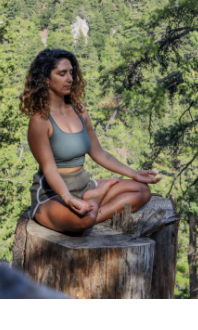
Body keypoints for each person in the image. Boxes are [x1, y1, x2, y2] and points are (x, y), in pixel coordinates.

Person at [21, 48, 159, 233]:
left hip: (84, 184)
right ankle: (96, 198)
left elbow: (99, 153)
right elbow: (50, 169)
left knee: (142, 191)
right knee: (83, 222)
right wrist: (68, 198)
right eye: (62, 73)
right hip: (53, 194)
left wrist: (134, 174)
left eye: (71, 72)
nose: (70, 78)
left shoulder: (80, 111)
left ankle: (92, 200)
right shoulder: (40, 120)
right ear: (46, 79)